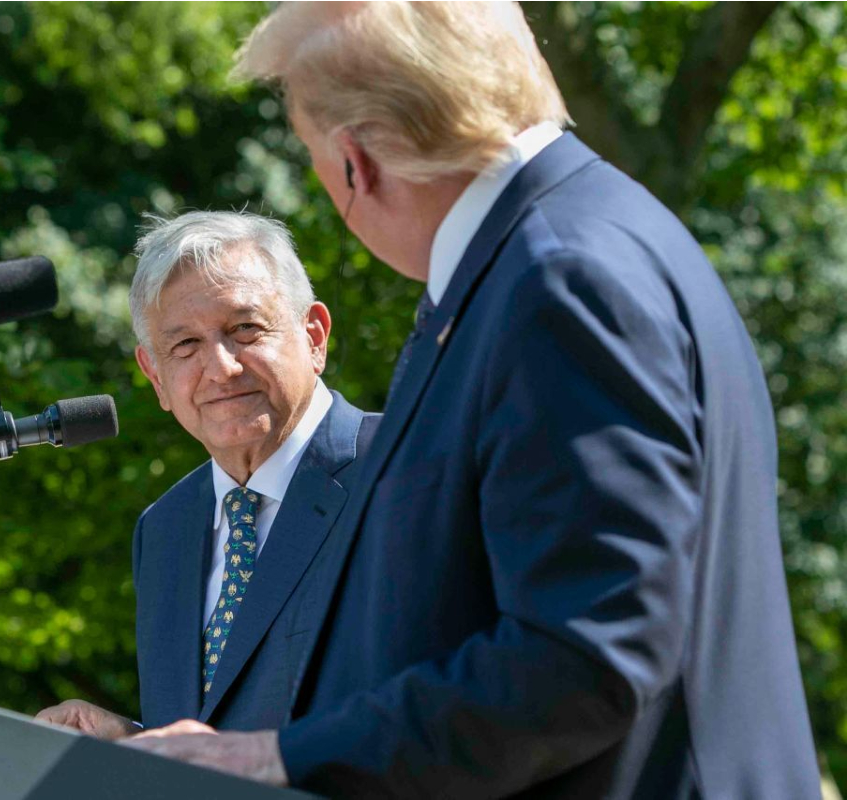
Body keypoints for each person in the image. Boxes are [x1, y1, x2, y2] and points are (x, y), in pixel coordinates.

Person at [123, 3, 821, 797]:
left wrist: (276, 757)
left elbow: (586, 654)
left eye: (312, 157)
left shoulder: (558, 280)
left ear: (357, 162)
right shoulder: (577, 242)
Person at [36, 211, 380, 738]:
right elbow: (211, 737)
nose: (220, 367)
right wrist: (134, 743)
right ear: (156, 377)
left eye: (244, 328)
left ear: (314, 335)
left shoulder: (403, 466)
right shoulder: (164, 529)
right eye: (185, 346)